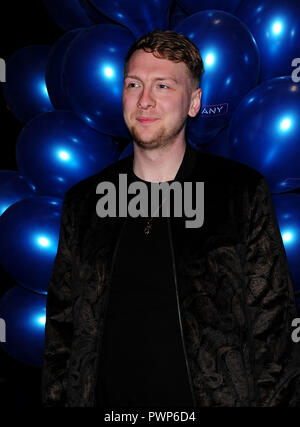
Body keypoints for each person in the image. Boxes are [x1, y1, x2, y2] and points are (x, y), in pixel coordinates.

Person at [41, 30, 300, 407]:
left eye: (162, 86)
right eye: (134, 84)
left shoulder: (239, 192)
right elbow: (61, 336)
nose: (144, 100)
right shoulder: (84, 202)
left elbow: (273, 333)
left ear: (194, 103)